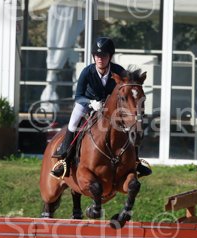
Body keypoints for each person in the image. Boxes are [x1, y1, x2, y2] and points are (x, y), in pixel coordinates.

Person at [51, 36, 151, 178]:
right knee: (73, 123)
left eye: (103, 56)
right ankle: (64, 158)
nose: (100, 59)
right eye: (97, 55)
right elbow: (78, 96)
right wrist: (91, 102)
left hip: (111, 107)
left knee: (131, 125)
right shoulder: (87, 72)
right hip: (87, 104)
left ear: (110, 57)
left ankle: (135, 162)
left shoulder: (118, 71)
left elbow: (127, 88)